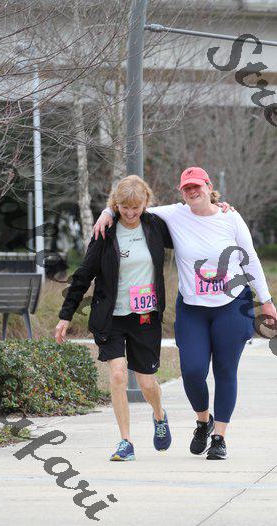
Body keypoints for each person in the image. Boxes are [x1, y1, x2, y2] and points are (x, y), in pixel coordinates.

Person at [94, 167, 277, 460]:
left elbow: (250, 259)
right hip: (193, 309)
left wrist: (266, 300)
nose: (192, 192)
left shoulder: (231, 218)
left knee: (225, 371)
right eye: (186, 188)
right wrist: (107, 211)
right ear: (182, 192)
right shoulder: (175, 214)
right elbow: (133, 205)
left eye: (197, 187)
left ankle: (219, 438)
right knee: (192, 372)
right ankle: (203, 421)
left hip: (231, 306)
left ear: (208, 187)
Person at [55, 175, 173, 461]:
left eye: (136, 207)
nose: (130, 213)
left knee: (146, 383)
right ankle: (125, 442)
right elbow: (83, 275)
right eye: (124, 207)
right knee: (118, 374)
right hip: (111, 317)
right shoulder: (105, 233)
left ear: (145, 202)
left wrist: (220, 208)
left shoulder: (156, 226)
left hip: (145, 317)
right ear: (116, 204)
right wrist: (65, 316)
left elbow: (192, 224)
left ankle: (159, 415)